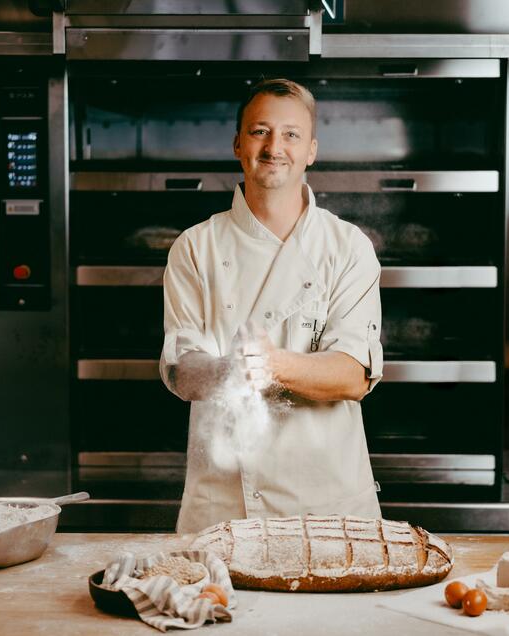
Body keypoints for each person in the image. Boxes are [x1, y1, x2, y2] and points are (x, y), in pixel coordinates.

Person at [159, 78, 384, 534]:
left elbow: (353, 376)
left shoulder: (347, 247)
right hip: (224, 503)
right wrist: (229, 371)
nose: (274, 146)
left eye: (291, 134)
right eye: (260, 131)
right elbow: (182, 369)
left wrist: (270, 365)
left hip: (328, 504)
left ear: (311, 151)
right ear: (238, 144)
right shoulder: (195, 247)